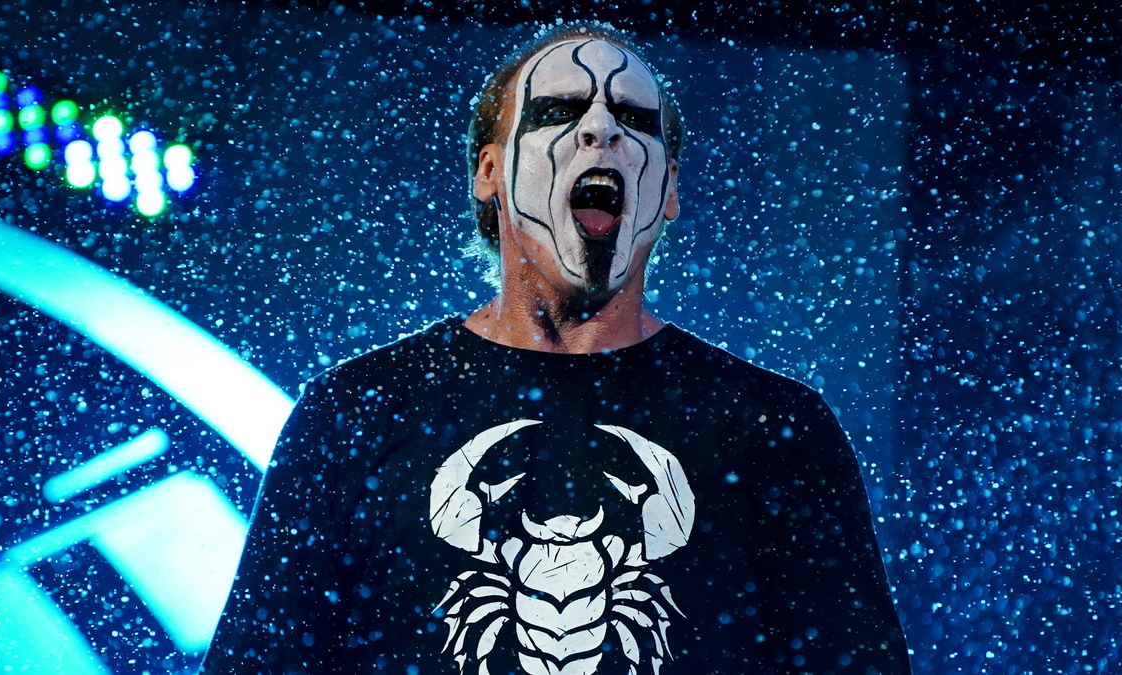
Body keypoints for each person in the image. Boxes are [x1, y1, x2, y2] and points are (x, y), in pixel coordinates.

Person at [202, 22, 911, 675]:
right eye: (558, 111)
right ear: (488, 171)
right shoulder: (357, 409)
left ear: (668, 187)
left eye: (635, 121)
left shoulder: (776, 427)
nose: (601, 131)